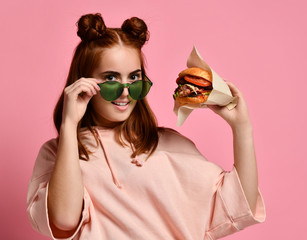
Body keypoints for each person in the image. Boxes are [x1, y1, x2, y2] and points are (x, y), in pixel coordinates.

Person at [26, 13, 266, 240]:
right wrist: (69, 125)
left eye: (134, 78)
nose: (125, 91)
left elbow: (238, 203)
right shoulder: (59, 153)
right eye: (110, 79)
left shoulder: (170, 143)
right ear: (84, 82)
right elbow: (64, 220)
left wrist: (242, 127)